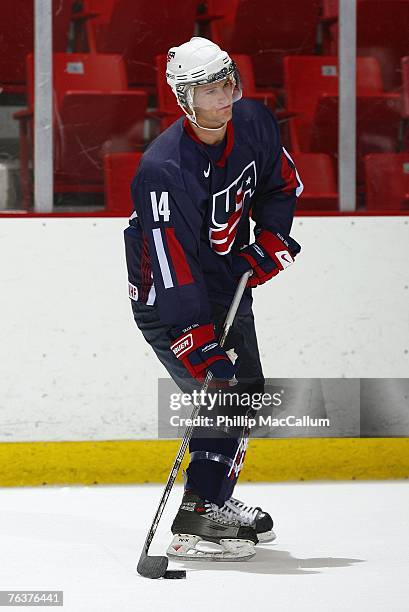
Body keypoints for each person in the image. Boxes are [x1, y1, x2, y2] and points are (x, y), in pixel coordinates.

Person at [124, 37, 303, 561]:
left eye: (227, 81)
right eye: (208, 87)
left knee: (243, 391)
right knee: (223, 392)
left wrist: (270, 237)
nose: (224, 95)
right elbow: (167, 259)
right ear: (184, 96)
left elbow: (281, 183)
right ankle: (199, 521)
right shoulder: (163, 169)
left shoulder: (254, 123)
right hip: (168, 299)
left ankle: (210, 503)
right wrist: (193, 336)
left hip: (224, 283)